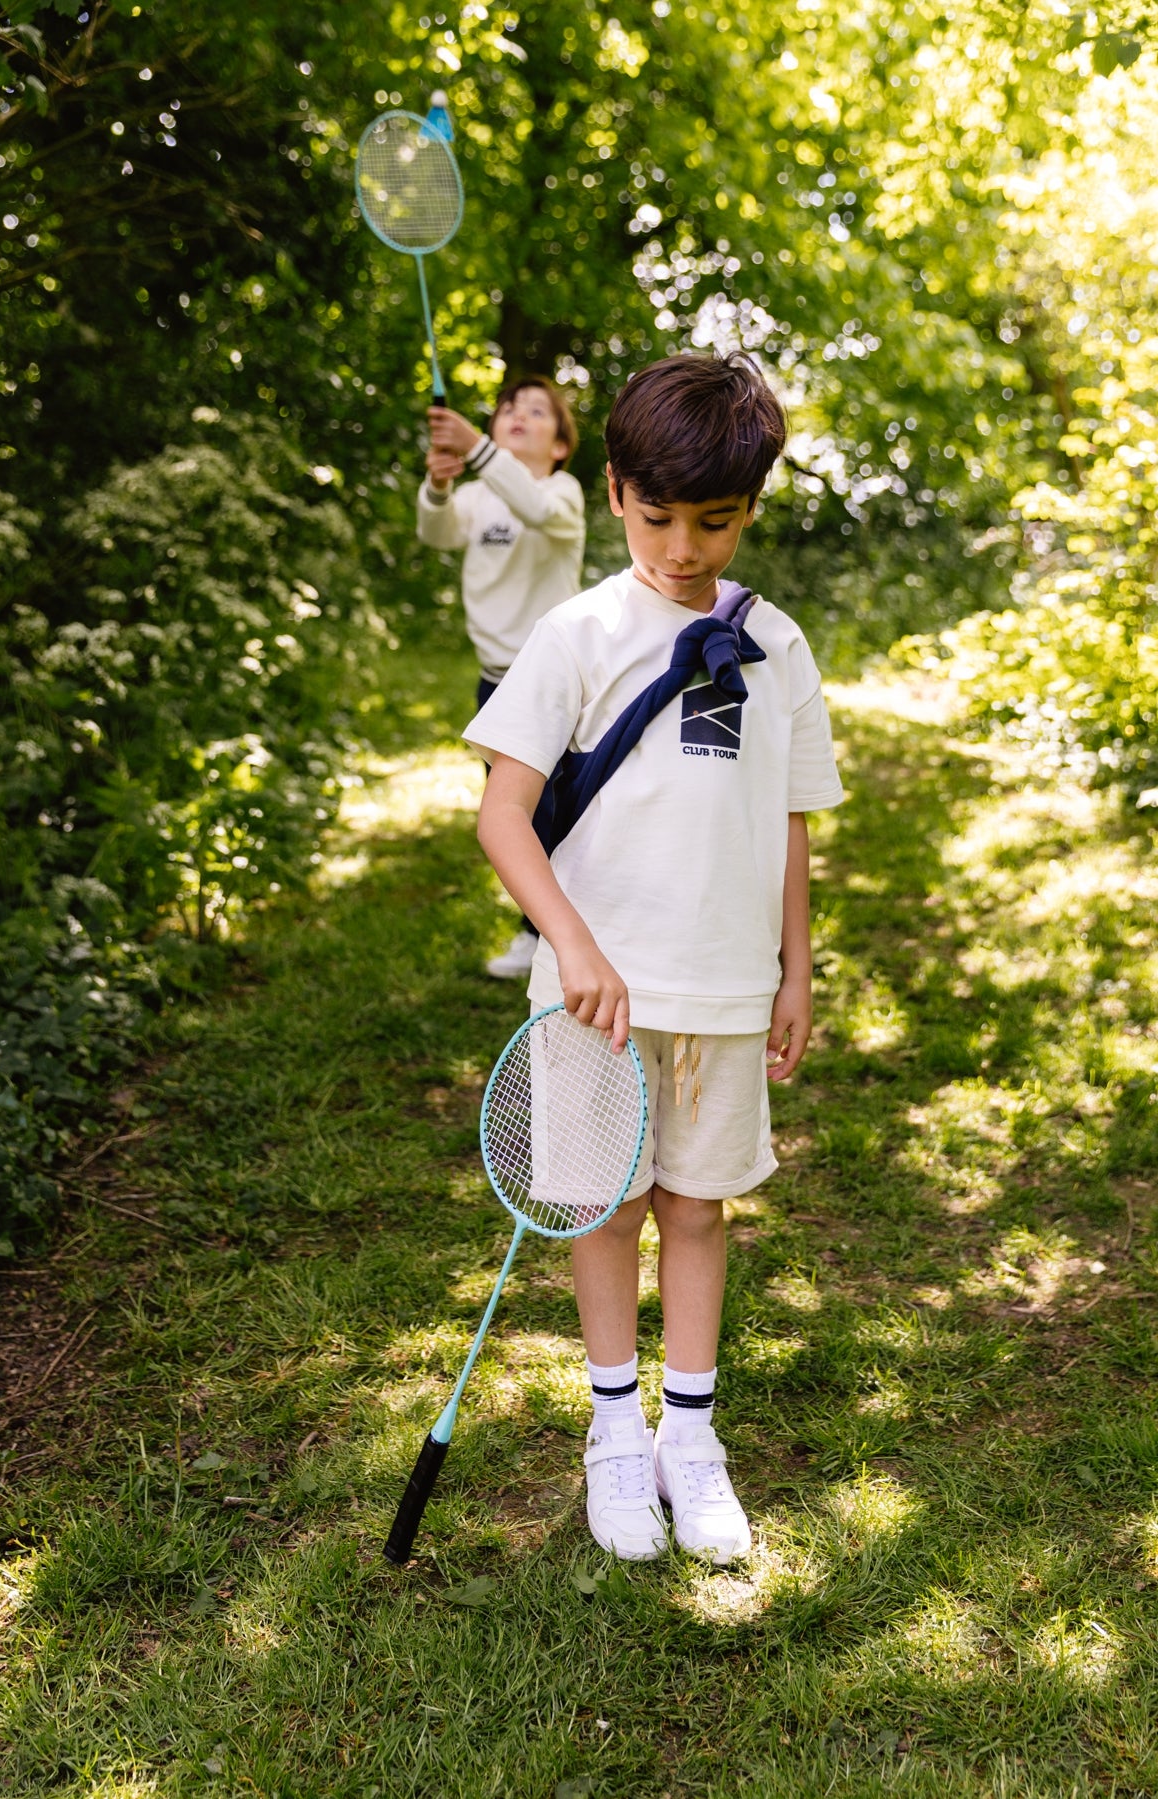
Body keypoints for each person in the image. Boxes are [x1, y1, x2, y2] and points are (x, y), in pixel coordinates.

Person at [463, 353, 845, 1564]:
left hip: (726, 991)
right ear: (616, 489)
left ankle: (692, 1432)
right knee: (609, 1201)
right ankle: (614, 1426)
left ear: (750, 507)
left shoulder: (776, 645)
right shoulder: (575, 632)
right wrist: (569, 939)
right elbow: (500, 813)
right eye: (659, 514)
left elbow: (787, 823)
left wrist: (796, 968)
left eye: (717, 521)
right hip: (597, 999)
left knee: (695, 1204)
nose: (685, 546)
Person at [418, 377, 586, 978]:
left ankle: (571, 926)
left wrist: (478, 452)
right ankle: (536, 932)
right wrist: (440, 486)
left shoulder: (562, 492)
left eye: (538, 412)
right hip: (496, 683)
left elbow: (536, 509)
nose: (518, 414)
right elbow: (436, 532)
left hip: (555, 684)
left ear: (560, 445)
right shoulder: (481, 497)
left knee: (568, 807)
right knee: (518, 813)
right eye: (509, 408)